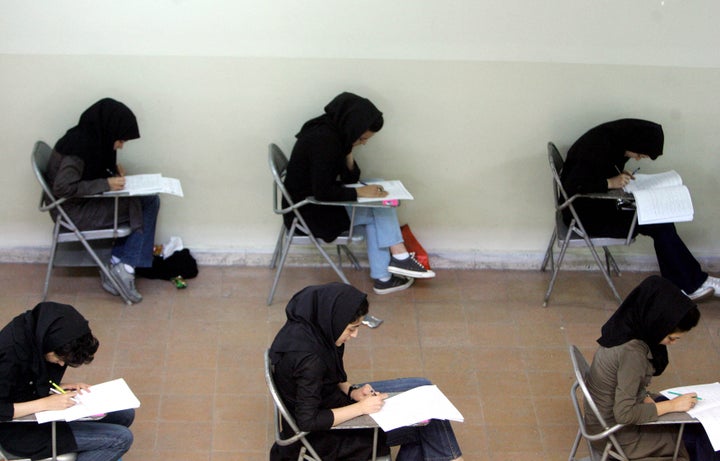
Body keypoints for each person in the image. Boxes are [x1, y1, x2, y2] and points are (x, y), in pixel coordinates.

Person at [268, 283, 464, 461]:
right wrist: (362, 408)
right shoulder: (310, 360)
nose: (354, 335)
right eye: (351, 329)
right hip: (327, 438)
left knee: (423, 387)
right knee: (429, 420)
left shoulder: (312, 329)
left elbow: (328, 378)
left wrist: (352, 391)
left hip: (335, 402)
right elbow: (308, 421)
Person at [283, 92, 435, 295]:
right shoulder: (323, 140)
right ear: (352, 125)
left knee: (380, 191)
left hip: (314, 205)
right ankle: (394, 265)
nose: (363, 143)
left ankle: (392, 269)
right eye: (362, 138)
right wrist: (362, 192)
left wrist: (348, 151)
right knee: (379, 207)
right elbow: (323, 192)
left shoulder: (333, 133)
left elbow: (348, 180)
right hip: (309, 214)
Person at [560, 118, 720, 301]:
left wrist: (616, 177)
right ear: (634, 142)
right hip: (586, 218)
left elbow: (593, 172)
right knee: (659, 224)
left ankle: (691, 282)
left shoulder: (611, 140)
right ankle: (689, 284)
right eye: (639, 154)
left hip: (596, 207)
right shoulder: (597, 147)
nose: (637, 158)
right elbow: (572, 186)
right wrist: (610, 182)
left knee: (661, 222)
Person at [585, 275, 719, 461]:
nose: (671, 344)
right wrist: (672, 405)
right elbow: (624, 413)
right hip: (618, 436)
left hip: (602, 422)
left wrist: (648, 398)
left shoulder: (625, 328)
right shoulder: (632, 353)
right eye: (671, 338)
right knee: (697, 440)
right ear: (657, 323)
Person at [47, 98, 160, 303]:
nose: (120, 146)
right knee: (140, 204)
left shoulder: (91, 139)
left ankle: (119, 262)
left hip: (81, 203)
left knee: (149, 201)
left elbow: (88, 172)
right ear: (110, 131)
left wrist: (111, 171)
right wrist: (107, 184)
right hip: (71, 211)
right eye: (121, 140)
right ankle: (125, 269)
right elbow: (63, 187)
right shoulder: (78, 148)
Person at [0, 302, 134, 461]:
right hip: (18, 430)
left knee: (124, 414)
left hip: (38, 407)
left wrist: (57, 387)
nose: (62, 364)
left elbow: (25, 379)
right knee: (121, 438)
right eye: (59, 358)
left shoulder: (40, 331)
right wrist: (45, 403)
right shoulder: (8, 355)